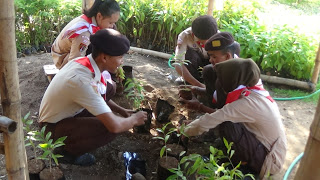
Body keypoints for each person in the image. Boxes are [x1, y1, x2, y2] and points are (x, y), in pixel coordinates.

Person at [38, 29, 147, 166]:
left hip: (63, 114)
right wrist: (134, 120)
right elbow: (114, 126)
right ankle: (68, 154)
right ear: (104, 58)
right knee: (109, 129)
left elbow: (97, 93)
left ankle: (77, 136)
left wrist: (121, 110)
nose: (122, 61)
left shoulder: (85, 62)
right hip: (51, 128)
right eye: (119, 57)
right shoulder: (81, 81)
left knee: (109, 88)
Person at [183, 58, 287, 179]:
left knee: (227, 124)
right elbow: (220, 114)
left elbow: (214, 118)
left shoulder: (248, 103)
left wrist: (185, 131)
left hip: (269, 160)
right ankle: (240, 160)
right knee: (227, 120)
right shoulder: (253, 91)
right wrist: (195, 122)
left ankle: (246, 168)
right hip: (269, 149)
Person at [179, 32, 240, 111]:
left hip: (239, 119)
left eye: (214, 57)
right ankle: (213, 108)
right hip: (228, 113)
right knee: (208, 70)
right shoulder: (231, 63)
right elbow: (217, 94)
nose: (210, 60)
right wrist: (195, 89)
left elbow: (229, 115)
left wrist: (199, 107)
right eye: (210, 56)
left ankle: (213, 115)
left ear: (227, 56)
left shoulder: (237, 77)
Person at [51, 0, 120, 69]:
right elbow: (75, 63)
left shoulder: (93, 19)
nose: (112, 26)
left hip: (74, 53)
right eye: (110, 23)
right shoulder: (83, 32)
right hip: (63, 58)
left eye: (114, 23)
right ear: (99, 16)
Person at [173, 15, 218, 88]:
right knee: (190, 55)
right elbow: (178, 64)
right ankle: (192, 83)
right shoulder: (185, 36)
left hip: (210, 64)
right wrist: (198, 85)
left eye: (209, 41)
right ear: (194, 34)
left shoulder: (218, 35)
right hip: (196, 64)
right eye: (202, 41)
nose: (205, 44)